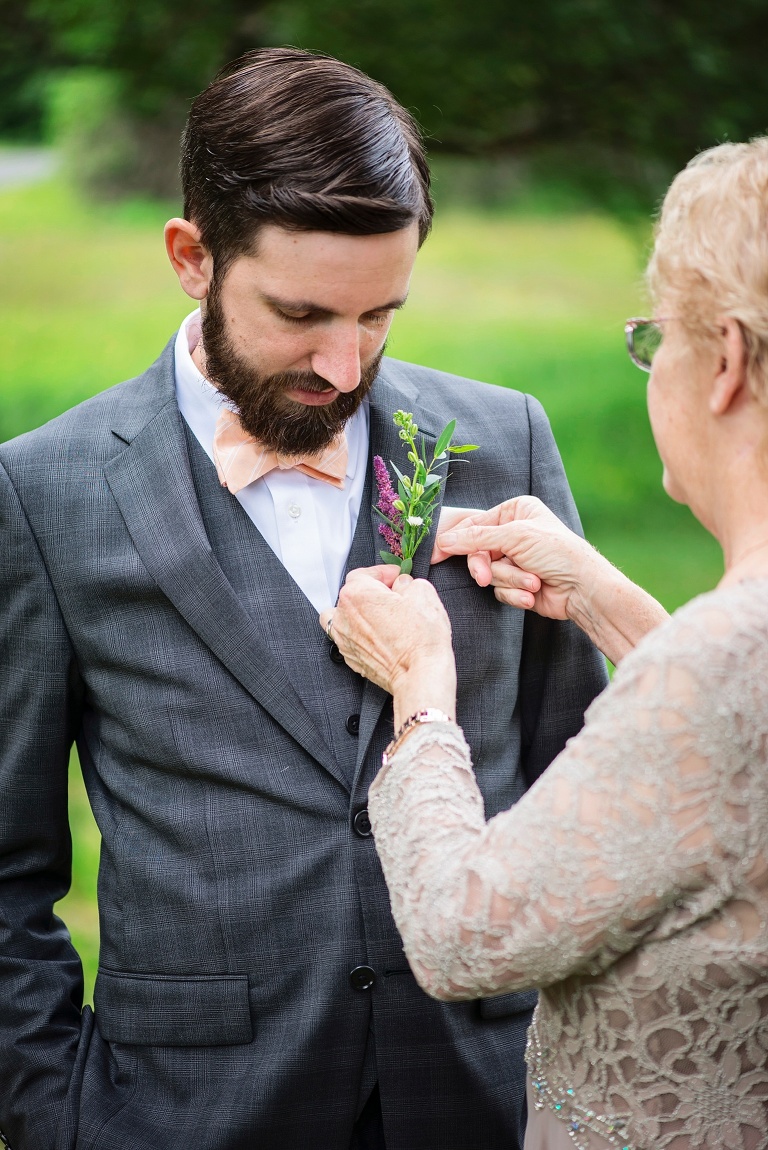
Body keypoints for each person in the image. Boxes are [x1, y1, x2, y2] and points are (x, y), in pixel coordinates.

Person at [0, 48, 607, 1150]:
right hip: (187, 1113)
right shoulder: (45, 491)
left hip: (486, 1098)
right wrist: (57, 1114)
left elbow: (586, 788)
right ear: (192, 255)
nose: (345, 364)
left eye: (381, 315)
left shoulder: (502, 441)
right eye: (303, 314)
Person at [322, 136, 768, 1149]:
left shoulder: (719, 662)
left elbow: (460, 931)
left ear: (727, 361)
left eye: (656, 342)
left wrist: (422, 689)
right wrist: (608, 600)